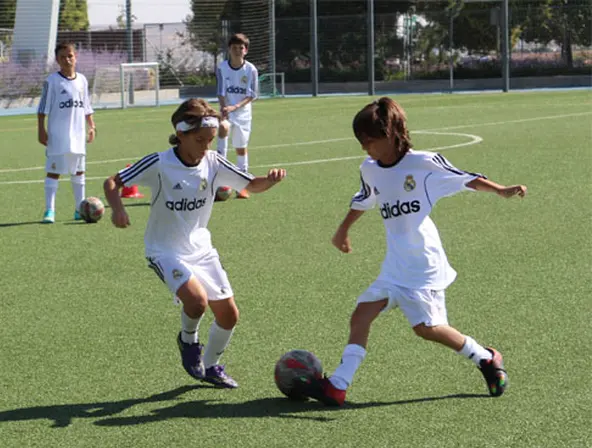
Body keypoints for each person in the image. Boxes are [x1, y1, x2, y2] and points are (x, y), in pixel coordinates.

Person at [296, 97, 527, 406]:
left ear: (391, 133)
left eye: (369, 139)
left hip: (422, 264)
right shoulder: (370, 169)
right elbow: (365, 198)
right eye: (360, 141)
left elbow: (466, 178)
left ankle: (485, 358)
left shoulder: (423, 163)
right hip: (395, 265)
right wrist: (343, 229)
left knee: (427, 329)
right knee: (360, 315)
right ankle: (337, 386)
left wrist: (500, 190)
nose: (364, 146)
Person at [103, 98, 287, 388]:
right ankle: (189, 342)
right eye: (200, 140)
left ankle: (211, 366)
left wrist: (271, 181)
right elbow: (112, 182)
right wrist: (118, 208)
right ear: (182, 135)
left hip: (201, 249)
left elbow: (251, 184)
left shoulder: (213, 162)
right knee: (197, 301)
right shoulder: (160, 163)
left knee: (229, 316)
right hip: (164, 250)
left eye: (210, 140)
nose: (206, 146)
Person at [37, 42, 96, 223]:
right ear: (57, 60)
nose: (67, 60)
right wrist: (41, 130)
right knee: (54, 172)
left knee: (79, 172)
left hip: (78, 135)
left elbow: (86, 106)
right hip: (58, 135)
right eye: (62, 57)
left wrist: (91, 126)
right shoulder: (52, 81)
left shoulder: (82, 80)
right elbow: (42, 109)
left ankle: (80, 209)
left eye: (70, 56)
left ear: (75, 57)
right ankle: (50, 211)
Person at [216, 33, 259, 199]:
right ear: (229, 49)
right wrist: (224, 107)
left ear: (245, 50)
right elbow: (220, 90)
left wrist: (235, 106)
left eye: (240, 48)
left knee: (241, 147)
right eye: (234, 48)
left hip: (242, 113)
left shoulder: (251, 70)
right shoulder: (222, 67)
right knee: (222, 129)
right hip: (226, 110)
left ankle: (242, 184)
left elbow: (252, 95)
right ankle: (219, 180)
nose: (237, 51)